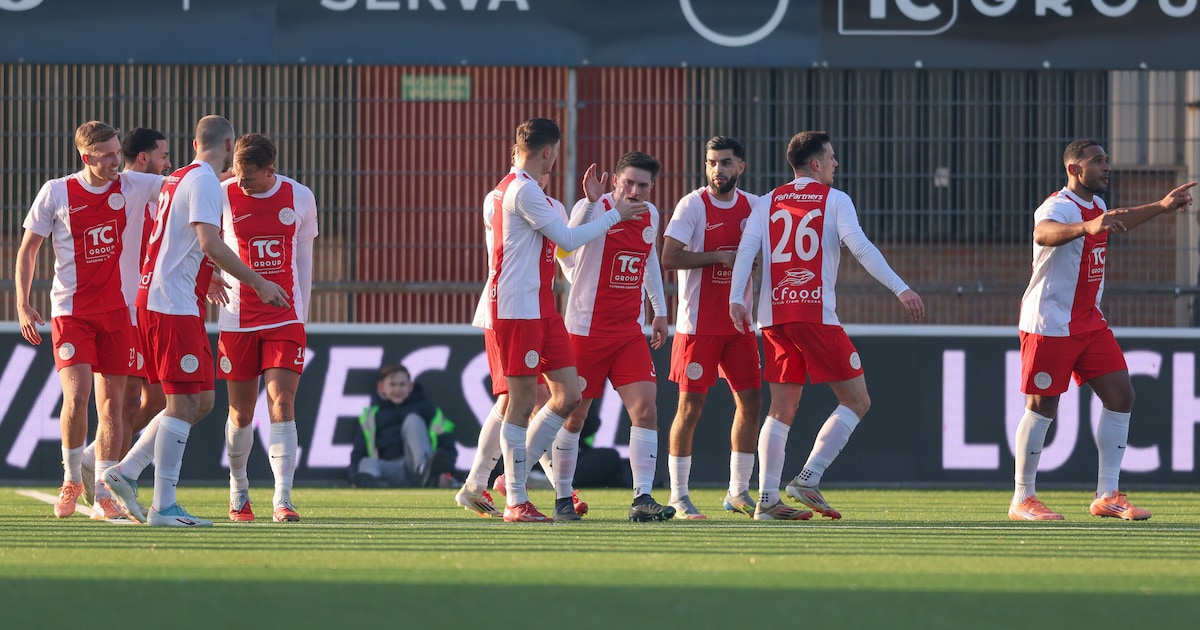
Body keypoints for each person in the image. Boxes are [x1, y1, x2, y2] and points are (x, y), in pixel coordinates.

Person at [454, 117, 647, 523]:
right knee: (521, 402)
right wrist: (615, 215)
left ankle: (480, 483)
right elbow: (569, 241)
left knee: (566, 397)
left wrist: (593, 204)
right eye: (557, 152)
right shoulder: (520, 191)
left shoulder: (535, 197)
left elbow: (563, 253)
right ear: (548, 151)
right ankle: (515, 498)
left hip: (542, 310)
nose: (557, 159)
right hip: (515, 310)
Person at [102, 115, 290, 527]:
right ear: (229, 145)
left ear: (193, 143)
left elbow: (185, 242)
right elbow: (210, 242)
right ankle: (161, 504)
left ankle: (126, 470)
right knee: (184, 402)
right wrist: (259, 283)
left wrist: (207, 275)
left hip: (163, 299)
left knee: (201, 402)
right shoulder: (204, 182)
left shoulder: (182, 176)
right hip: (171, 304)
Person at [729, 130, 925, 520]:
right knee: (857, 400)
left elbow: (747, 249)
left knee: (781, 408)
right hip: (814, 315)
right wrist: (901, 288)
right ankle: (808, 477)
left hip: (773, 318)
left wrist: (737, 297)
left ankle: (766, 500)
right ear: (815, 164)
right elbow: (860, 245)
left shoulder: (767, 202)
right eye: (831, 158)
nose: (836, 164)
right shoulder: (834, 200)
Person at [1007, 139, 1195, 521]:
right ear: (1075, 170)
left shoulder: (1098, 205)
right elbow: (1043, 234)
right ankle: (1022, 499)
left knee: (1121, 395)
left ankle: (1107, 494)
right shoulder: (1058, 206)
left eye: (1107, 160)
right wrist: (1086, 227)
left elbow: (1118, 219)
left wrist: (1161, 206)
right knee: (1043, 406)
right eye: (1097, 161)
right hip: (1050, 323)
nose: (1107, 166)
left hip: (1089, 321)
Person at [14, 121, 165, 520]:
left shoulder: (132, 184)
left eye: (119, 152)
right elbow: (28, 249)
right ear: (87, 158)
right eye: (109, 155)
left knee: (113, 405)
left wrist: (223, 170)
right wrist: (22, 302)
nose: (118, 161)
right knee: (77, 396)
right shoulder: (56, 191)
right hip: (71, 312)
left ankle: (101, 488)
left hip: (118, 314)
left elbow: (183, 186)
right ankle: (70, 478)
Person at [549, 151, 675, 522]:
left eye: (643, 185)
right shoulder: (595, 206)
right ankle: (561, 500)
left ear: (652, 187)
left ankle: (642, 499)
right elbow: (564, 248)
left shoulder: (650, 214)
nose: (635, 191)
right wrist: (590, 204)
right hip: (586, 331)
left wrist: (660, 310)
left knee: (646, 409)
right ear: (616, 180)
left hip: (629, 332)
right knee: (574, 416)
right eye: (628, 183)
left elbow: (648, 259)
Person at [216, 133, 318, 523]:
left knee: (282, 403)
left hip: (284, 319)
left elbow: (305, 259)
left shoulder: (300, 197)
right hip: (238, 319)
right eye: (239, 176)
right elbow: (206, 243)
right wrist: (209, 277)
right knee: (240, 413)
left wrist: (301, 315)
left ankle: (283, 498)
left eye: (250, 178)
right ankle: (239, 491)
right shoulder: (223, 194)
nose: (243, 184)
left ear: (270, 170)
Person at [661, 136, 763, 520]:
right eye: (711, 162)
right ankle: (678, 496)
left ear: (741, 167)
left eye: (725, 163)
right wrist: (717, 256)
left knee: (751, 401)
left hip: (738, 326)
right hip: (697, 326)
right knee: (690, 407)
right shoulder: (693, 204)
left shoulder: (754, 207)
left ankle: (738, 491)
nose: (717, 170)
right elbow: (668, 257)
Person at [78, 126, 172, 508]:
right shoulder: (131, 189)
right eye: (164, 156)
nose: (170, 164)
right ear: (145, 158)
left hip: (161, 307)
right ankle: (106, 476)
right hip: (130, 310)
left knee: (163, 400)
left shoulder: (160, 193)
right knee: (126, 402)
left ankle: (93, 459)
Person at [349, 364, 457, 488]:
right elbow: (358, 451)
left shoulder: (428, 409)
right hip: (391, 469)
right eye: (392, 385)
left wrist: (445, 473)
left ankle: (425, 472)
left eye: (402, 384)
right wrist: (353, 477)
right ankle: (372, 483)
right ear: (381, 387)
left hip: (416, 466)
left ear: (410, 386)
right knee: (366, 462)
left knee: (413, 420)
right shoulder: (371, 415)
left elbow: (447, 445)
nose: (397, 389)